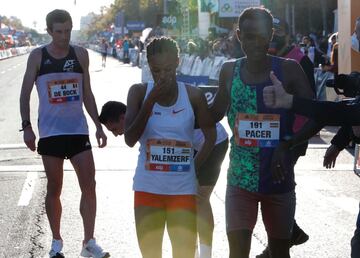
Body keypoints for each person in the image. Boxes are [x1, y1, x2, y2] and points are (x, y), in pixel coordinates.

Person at [209, 7, 315, 258]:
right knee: (237, 253)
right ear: (238, 35)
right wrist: (174, 102)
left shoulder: (288, 69)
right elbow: (213, 113)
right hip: (239, 181)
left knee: (279, 253)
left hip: (279, 181)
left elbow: (317, 113)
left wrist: (287, 144)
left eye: (261, 36)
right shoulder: (229, 70)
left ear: (271, 35)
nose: (255, 42)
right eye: (248, 36)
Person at [19, 9, 109, 258]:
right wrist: (27, 127)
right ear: (49, 31)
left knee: (89, 185)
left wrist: (98, 125)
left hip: (78, 130)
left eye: (68, 30)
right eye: (58, 31)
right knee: (54, 188)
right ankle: (56, 241)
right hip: (50, 133)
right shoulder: (38, 56)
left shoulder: (80, 54)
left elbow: (87, 93)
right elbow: (25, 94)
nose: (64, 36)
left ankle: (88, 242)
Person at [124, 36, 216, 258]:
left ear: (178, 62)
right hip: (148, 188)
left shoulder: (193, 95)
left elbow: (211, 136)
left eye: (168, 69)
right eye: (156, 71)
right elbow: (129, 138)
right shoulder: (138, 92)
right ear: (149, 66)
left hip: (182, 190)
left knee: (184, 254)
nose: (163, 76)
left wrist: (193, 167)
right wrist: (150, 101)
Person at [255, 16, 316, 258]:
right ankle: (288, 234)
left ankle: (279, 243)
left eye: (278, 33)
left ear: (285, 36)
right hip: (266, 135)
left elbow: (310, 103)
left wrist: (294, 139)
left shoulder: (299, 61)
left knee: (278, 185)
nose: (274, 38)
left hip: (292, 136)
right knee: (271, 184)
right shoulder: (264, 59)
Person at [194, 123, 228, 258]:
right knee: (183, 200)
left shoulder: (194, 100)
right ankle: (190, 252)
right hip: (182, 144)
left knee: (200, 198)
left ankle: (205, 254)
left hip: (213, 142)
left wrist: (193, 167)